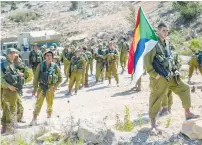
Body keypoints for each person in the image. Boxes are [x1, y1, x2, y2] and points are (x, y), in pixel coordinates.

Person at [144, 22, 199, 130]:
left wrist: (175, 70)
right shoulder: (152, 43)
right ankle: (153, 122)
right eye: (163, 30)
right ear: (158, 31)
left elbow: (170, 58)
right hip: (159, 78)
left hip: (170, 76)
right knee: (156, 98)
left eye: (167, 30)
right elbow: (147, 62)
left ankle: (187, 113)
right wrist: (155, 75)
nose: (166, 32)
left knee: (185, 88)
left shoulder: (167, 43)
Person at [30, 50, 62, 126]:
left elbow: (60, 78)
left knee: (50, 104)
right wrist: (34, 89)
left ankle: (49, 118)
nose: (49, 57)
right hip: (41, 87)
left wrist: (55, 86)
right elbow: (36, 78)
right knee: (38, 104)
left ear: (52, 57)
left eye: (50, 55)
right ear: (44, 56)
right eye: (47, 55)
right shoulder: (40, 65)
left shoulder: (55, 66)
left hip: (50, 88)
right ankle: (34, 119)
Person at [1, 48, 24, 134]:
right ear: (7, 54)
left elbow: (14, 72)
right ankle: (11, 129)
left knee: (8, 108)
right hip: (7, 90)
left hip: (13, 90)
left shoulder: (12, 64)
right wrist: (9, 86)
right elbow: (1, 80)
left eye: (14, 53)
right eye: (11, 53)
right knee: (11, 108)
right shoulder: (3, 65)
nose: (13, 54)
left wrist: (19, 73)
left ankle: (4, 128)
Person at [13, 53, 29, 123]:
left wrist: (23, 76)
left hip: (19, 87)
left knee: (19, 104)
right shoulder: (9, 64)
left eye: (16, 57)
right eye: (14, 57)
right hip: (10, 87)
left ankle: (19, 118)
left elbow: (26, 73)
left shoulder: (22, 64)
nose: (15, 58)